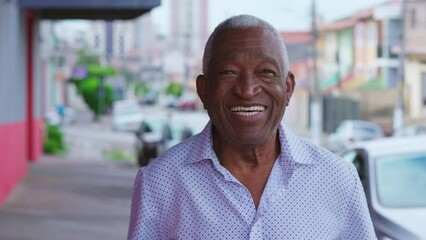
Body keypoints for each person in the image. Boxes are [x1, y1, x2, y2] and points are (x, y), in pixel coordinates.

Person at [128, 15, 377, 239]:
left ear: (288, 88)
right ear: (203, 90)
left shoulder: (338, 179)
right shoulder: (159, 182)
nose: (247, 90)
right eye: (228, 73)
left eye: (266, 72)